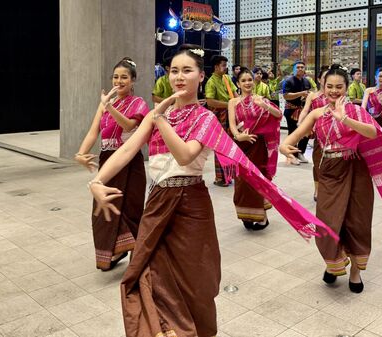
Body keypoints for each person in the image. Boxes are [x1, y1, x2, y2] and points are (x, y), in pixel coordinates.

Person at [88, 45, 334, 337]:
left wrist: (160, 119)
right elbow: (128, 148)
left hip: (190, 204)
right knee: (145, 275)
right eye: (174, 71)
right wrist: (97, 181)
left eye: (187, 70)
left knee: (195, 280)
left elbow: (184, 156)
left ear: (200, 77)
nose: (179, 77)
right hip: (156, 203)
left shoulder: (203, 118)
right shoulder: (159, 114)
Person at [280, 66, 382, 293]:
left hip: (356, 170)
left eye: (339, 87)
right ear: (323, 88)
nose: (334, 91)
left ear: (346, 88)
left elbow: (372, 133)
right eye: (329, 87)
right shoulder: (317, 113)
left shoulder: (356, 111)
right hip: (330, 173)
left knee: (356, 222)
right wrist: (285, 148)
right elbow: (292, 137)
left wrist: (345, 118)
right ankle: (334, 261)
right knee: (327, 224)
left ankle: (355, 270)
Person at [74, 57, 149, 271]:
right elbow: (93, 131)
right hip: (108, 161)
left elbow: (128, 126)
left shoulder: (139, 103)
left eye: (124, 77)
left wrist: (110, 107)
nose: (119, 81)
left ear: (133, 80)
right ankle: (115, 250)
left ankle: (136, 252)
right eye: (115, 77)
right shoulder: (105, 103)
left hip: (130, 162)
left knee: (130, 209)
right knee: (102, 210)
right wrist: (81, 152)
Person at [228, 67, 282, 230]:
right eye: (243, 80)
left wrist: (264, 106)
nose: (247, 83)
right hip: (241, 145)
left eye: (249, 80)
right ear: (238, 83)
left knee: (257, 180)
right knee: (242, 182)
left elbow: (278, 115)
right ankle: (247, 213)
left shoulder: (261, 99)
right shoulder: (233, 102)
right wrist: (238, 136)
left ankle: (262, 217)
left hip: (258, 146)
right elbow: (231, 124)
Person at [205, 55, 238, 186]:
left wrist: (238, 102)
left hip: (231, 115)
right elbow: (210, 101)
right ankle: (221, 178)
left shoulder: (226, 78)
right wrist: (230, 104)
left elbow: (235, 95)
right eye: (223, 65)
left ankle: (231, 174)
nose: (226, 67)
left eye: (225, 65)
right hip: (220, 118)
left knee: (232, 146)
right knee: (221, 146)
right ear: (216, 67)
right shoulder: (211, 82)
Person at [298, 65, 330, 200]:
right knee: (317, 163)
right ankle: (317, 190)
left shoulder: (336, 95)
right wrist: (300, 123)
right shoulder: (313, 95)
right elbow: (305, 110)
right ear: (319, 80)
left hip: (334, 134)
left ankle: (329, 189)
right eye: (325, 78)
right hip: (319, 134)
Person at [283, 61, 313, 164]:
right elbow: (286, 95)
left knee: (306, 132)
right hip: (291, 110)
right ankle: (292, 156)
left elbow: (309, 94)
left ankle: (301, 153)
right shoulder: (288, 81)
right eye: (298, 67)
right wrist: (301, 93)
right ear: (294, 69)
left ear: (305, 69)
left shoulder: (307, 81)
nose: (300, 69)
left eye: (302, 67)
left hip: (303, 110)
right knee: (293, 133)